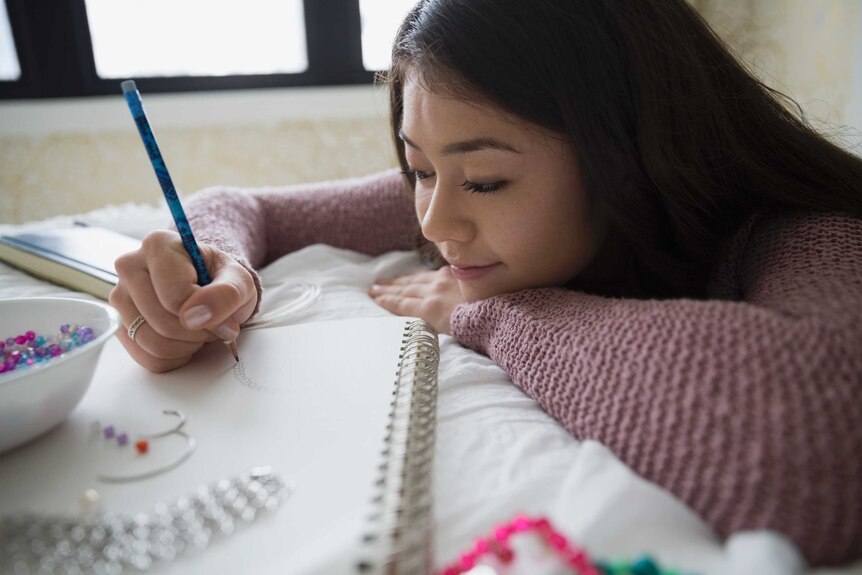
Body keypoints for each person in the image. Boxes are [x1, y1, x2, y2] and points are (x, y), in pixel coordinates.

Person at [109, 0, 862, 566]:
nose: (435, 222)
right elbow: (251, 209)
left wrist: (489, 311)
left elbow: (813, 435)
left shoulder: (807, 231)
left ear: (629, 151)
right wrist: (214, 264)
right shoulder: (460, 192)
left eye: (487, 180)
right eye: (418, 168)